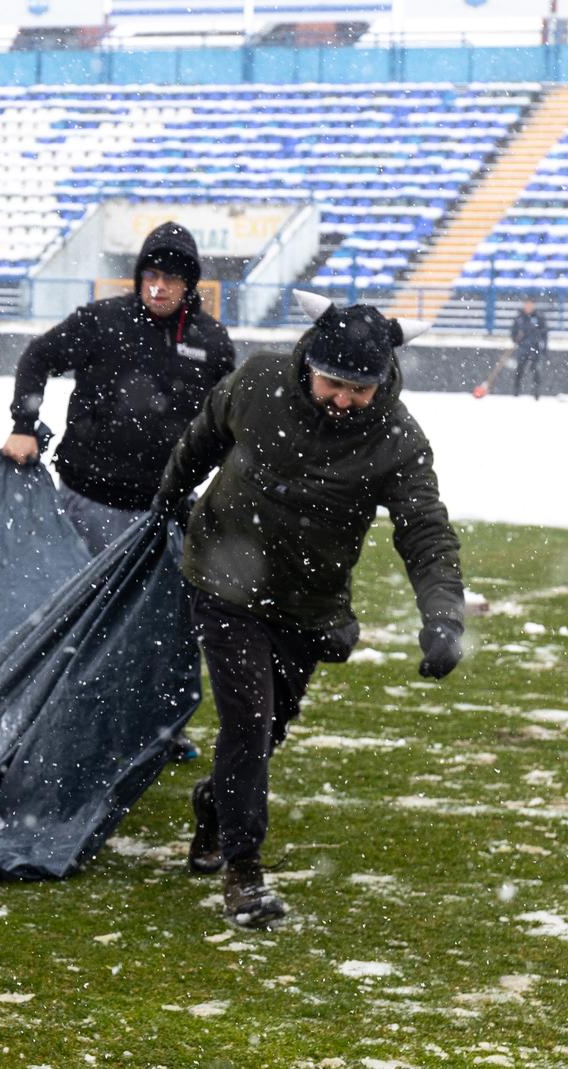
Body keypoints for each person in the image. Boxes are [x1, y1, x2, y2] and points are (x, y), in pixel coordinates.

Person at [152, 291, 465, 928]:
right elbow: (205, 434)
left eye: (359, 389)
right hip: (226, 579)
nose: (343, 399)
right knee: (247, 721)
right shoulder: (259, 381)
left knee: (267, 729)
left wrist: (444, 615)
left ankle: (215, 805)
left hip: (307, 603)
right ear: (309, 363)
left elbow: (426, 530)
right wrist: (170, 495)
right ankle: (244, 874)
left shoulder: (398, 439)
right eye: (333, 383)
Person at [3, 221, 237, 761]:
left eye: (170, 278)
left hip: (162, 513)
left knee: (161, 629)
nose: (158, 287)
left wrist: (221, 478)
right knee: (81, 623)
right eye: (150, 275)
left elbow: (228, 420)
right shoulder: (101, 321)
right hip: (86, 502)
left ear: (189, 284)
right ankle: (56, 723)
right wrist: (23, 424)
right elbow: (37, 356)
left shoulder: (211, 343)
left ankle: (158, 731)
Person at [509, 296, 549, 399]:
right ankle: (516, 391)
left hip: (535, 347)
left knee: (536, 370)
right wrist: (516, 338)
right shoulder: (519, 318)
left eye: (530, 304)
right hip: (523, 348)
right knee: (519, 370)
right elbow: (513, 332)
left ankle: (536, 392)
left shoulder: (539, 317)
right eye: (526, 304)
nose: (528, 306)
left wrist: (544, 347)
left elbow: (544, 333)